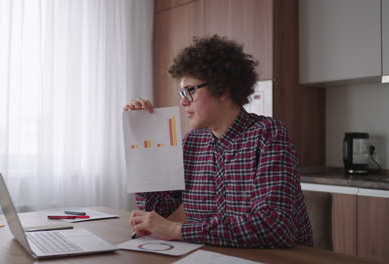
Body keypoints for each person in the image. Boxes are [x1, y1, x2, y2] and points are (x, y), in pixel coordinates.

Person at [123, 35, 314, 248]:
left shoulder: (268, 135)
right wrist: (142, 139)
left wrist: (177, 230)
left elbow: (274, 227)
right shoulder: (191, 143)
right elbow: (157, 208)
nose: (182, 101)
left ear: (221, 89)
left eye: (190, 91)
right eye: (181, 92)